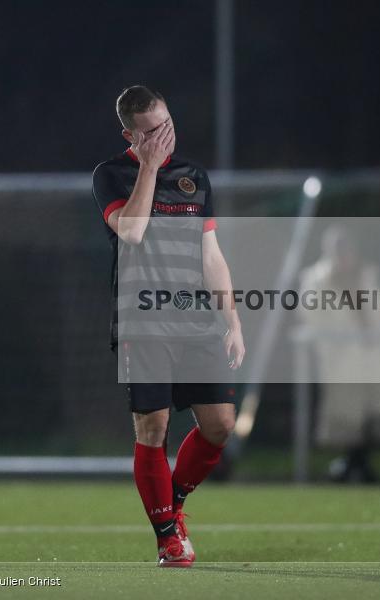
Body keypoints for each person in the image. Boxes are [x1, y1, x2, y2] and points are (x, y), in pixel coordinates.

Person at [92, 85, 245, 567]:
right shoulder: (111, 175)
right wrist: (150, 168)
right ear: (131, 134)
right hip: (144, 321)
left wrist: (233, 319)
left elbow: (210, 255)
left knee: (221, 426)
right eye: (153, 131)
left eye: (168, 123)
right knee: (152, 428)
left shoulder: (194, 177)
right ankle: (167, 538)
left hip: (196, 321)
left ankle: (172, 504)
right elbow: (132, 231)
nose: (165, 135)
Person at [299, 225, 380, 482]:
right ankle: (350, 464)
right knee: (345, 416)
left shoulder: (368, 275)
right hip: (339, 359)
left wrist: (374, 335)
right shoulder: (316, 279)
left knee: (371, 415)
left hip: (370, 357)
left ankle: (359, 464)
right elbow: (312, 317)